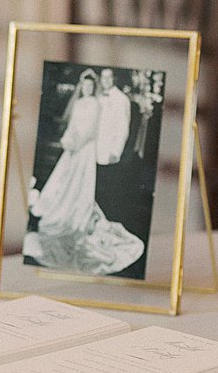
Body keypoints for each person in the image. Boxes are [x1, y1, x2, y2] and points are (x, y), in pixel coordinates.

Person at [28, 70, 147, 276]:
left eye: (95, 85)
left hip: (91, 149)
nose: (91, 88)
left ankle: (82, 216)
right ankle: (64, 212)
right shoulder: (83, 102)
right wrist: (68, 140)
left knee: (84, 184)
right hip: (77, 148)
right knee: (66, 182)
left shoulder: (102, 103)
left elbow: (100, 129)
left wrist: (84, 144)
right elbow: (74, 125)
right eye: (88, 85)